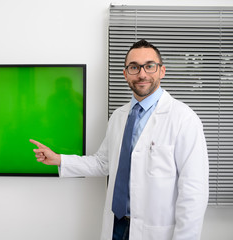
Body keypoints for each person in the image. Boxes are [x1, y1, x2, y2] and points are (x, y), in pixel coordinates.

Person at [30, 39, 209, 240]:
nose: (142, 74)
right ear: (125, 74)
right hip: (117, 225)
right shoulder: (119, 116)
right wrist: (59, 159)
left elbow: (194, 191)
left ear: (162, 71)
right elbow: (103, 163)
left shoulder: (184, 118)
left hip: (156, 231)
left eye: (149, 66)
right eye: (134, 67)